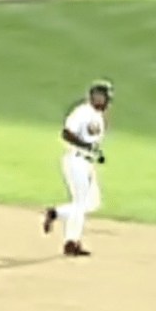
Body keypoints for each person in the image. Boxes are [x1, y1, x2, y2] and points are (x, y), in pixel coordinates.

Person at [43, 80, 114, 257]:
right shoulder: (82, 112)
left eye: (105, 97)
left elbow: (92, 141)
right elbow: (66, 134)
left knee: (93, 203)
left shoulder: (98, 116)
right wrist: (85, 147)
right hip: (76, 161)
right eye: (101, 97)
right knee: (80, 203)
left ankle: (56, 213)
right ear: (94, 97)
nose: (104, 101)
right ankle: (71, 242)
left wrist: (95, 153)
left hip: (88, 163)